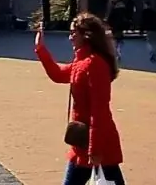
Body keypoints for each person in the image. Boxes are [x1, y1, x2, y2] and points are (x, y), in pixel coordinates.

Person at [36, 12, 125, 185]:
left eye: (73, 33)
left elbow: (100, 110)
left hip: (97, 144)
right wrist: (41, 49)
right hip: (82, 142)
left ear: (85, 35)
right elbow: (58, 74)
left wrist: (95, 149)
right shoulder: (82, 61)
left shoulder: (95, 64)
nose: (70, 38)